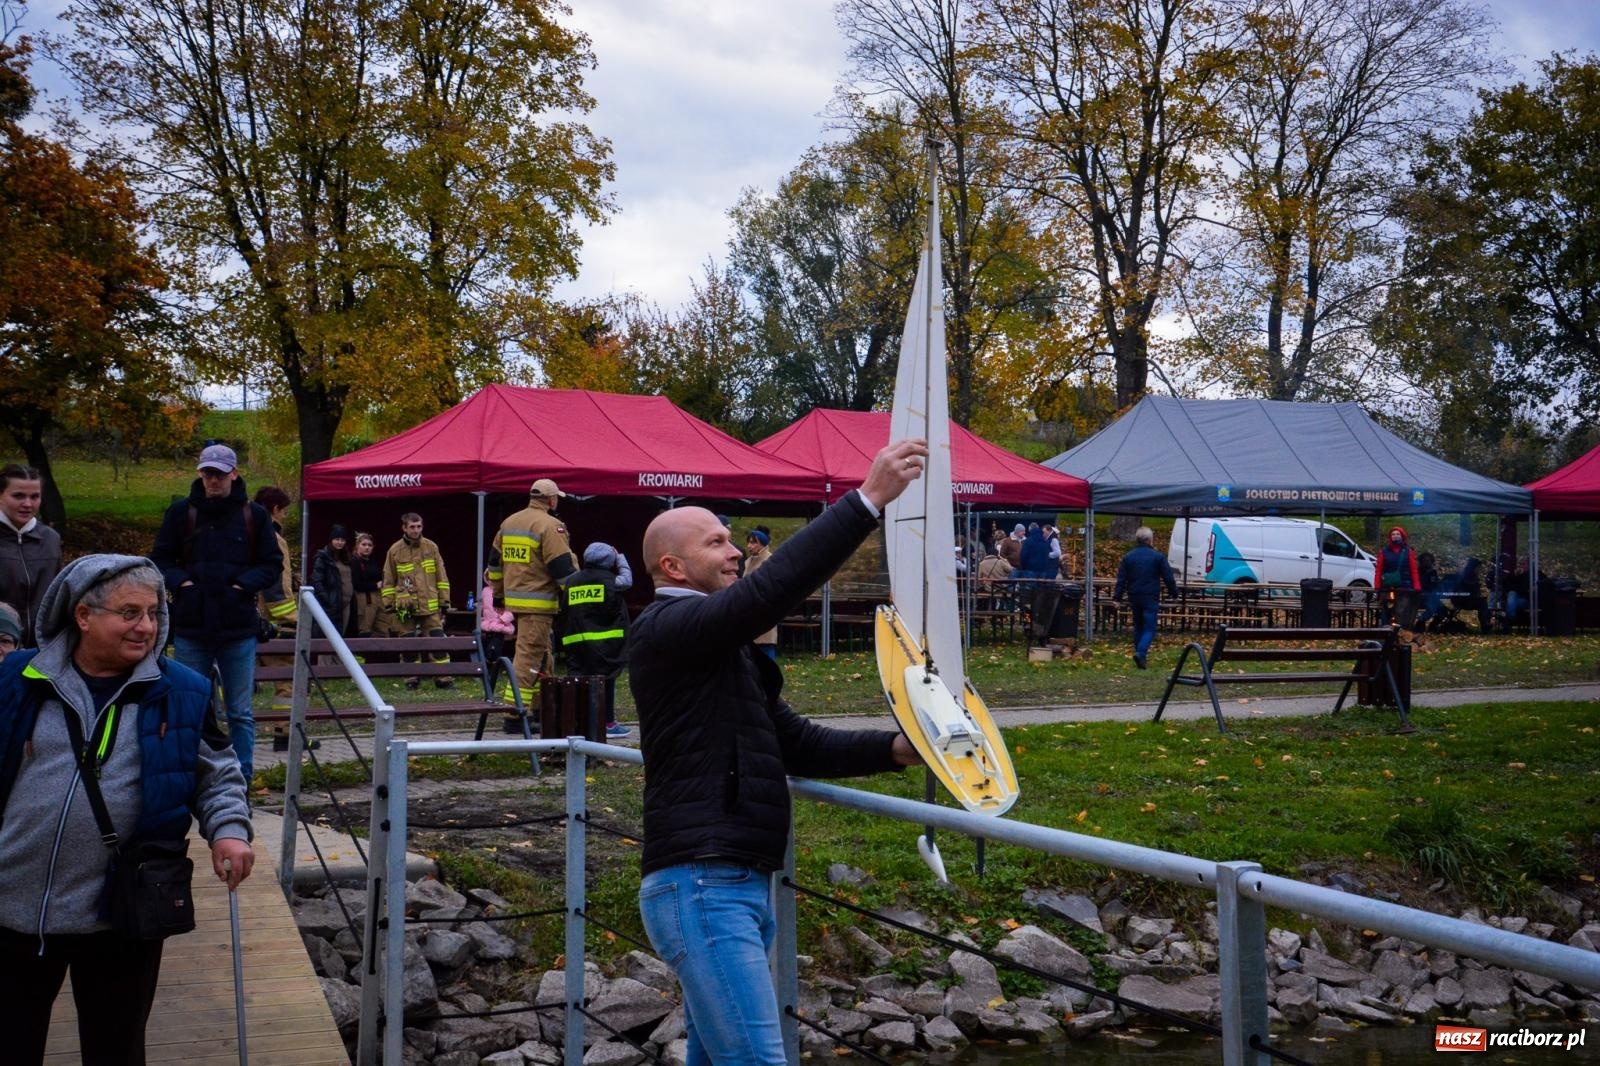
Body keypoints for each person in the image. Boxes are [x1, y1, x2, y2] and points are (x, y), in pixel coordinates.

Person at [630, 439, 927, 1066]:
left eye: (730, 539)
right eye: (715, 542)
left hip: (735, 884)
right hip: (703, 885)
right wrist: (866, 501)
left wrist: (898, 749)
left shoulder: (719, 646)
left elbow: (794, 743)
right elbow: (769, 592)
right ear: (673, 567)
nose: (735, 550)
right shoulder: (668, 628)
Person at [0, 554, 254, 1063]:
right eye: (130, 613)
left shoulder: (183, 691)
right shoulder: (17, 677)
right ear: (83, 614)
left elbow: (218, 774)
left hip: (122, 911)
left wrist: (229, 829)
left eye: (154, 613)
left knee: (114, 1050)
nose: (146, 627)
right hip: (13, 907)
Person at [150, 443, 282, 784]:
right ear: (200, 473)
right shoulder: (181, 513)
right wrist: (183, 583)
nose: (213, 480)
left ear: (234, 474)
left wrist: (242, 586)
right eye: (207, 473)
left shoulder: (254, 516)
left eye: (220, 474)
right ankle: (188, 777)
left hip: (237, 628)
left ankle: (241, 780)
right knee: (187, 707)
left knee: (240, 713)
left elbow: (272, 564)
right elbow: (160, 559)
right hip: (192, 626)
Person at [487, 479, 575, 702]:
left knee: (542, 655)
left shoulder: (509, 523)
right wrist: (574, 595)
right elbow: (561, 567)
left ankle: (539, 706)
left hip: (516, 602)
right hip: (539, 604)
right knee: (529, 657)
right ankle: (515, 709)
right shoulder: (550, 526)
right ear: (551, 500)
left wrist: (498, 595)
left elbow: (494, 565)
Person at [561, 541, 633, 739]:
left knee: (579, 681)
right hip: (604, 643)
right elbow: (628, 579)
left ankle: (578, 723)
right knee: (606, 681)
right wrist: (620, 557)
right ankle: (607, 723)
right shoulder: (612, 581)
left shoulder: (572, 581)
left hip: (576, 641)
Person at [382, 512, 453, 689]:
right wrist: (389, 604)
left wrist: (444, 602)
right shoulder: (394, 550)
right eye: (412, 527)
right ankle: (411, 681)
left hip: (430, 606)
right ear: (404, 528)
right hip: (405, 607)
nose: (416, 530)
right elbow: (388, 580)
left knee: (438, 643)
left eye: (419, 526)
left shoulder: (431, 547)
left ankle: (443, 680)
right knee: (408, 645)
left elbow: (441, 576)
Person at [0, 463, 62, 647]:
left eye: (34, 496)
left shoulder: (50, 539)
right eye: (18, 496)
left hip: (41, 646)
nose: (27, 504)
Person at [1113, 526, 1178, 669]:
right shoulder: (1158, 557)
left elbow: (1121, 579)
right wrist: (1174, 594)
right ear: (1149, 540)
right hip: (1150, 595)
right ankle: (1141, 653)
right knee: (1149, 628)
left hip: (1134, 595)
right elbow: (1168, 577)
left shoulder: (1128, 557)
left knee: (1138, 626)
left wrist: (1117, 598)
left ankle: (1140, 657)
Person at [311, 524, 354, 638]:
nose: (340, 542)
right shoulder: (323, 558)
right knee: (329, 637)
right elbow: (317, 582)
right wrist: (328, 601)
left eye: (342, 540)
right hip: (331, 605)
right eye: (337, 539)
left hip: (346, 604)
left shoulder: (346, 558)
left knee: (341, 636)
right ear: (331, 540)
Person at [1374, 526, 1422, 628]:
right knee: (1386, 608)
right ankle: (1384, 629)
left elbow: (1413, 569)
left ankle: (1400, 629)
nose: (1395, 536)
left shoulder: (1408, 551)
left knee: (1401, 609)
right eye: (1393, 534)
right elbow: (1378, 569)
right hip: (1387, 585)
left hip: (1405, 585)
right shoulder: (1384, 552)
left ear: (1402, 536)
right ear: (1390, 537)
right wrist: (1377, 585)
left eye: (1397, 534)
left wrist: (1416, 585)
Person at [744, 527, 777, 659]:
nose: (749, 546)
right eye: (749, 542)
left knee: (765, 645)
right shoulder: (749, 561)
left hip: (764, 610)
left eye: (753, 542)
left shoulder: (770, 560)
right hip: (748, 610)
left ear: (762, 544)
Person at [349, 531, 382, 637]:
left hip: (377, 597)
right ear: (357, 546)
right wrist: (375, 585)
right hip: (363, 599)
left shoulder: (372, 561)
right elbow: (356, 584)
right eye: (364, 544)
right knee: (365, 629)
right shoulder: (354, 561)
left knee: (382, 629)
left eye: (369, 545)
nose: (367, 547)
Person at [976, 545, 1014, 610]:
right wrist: (1003, 560)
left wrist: (983, 583)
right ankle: (1003, 609)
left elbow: (979, 578)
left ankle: (988, 610)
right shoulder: (1000, 562)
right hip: (1002, 587)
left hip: (989, 588)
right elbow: (1010, 569)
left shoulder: (982, 564)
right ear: (997, 554)